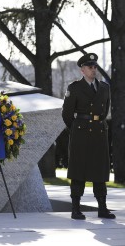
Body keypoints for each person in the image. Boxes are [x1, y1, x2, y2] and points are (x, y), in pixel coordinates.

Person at [62, 53, 115, 220]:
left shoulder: (105, 88)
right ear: (82, 70)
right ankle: (76, 208)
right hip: (81, 134)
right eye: (90, 67)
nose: (94, 69)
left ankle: (102, 208)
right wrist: (78, 129)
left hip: (99, 133)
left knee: (100, 170)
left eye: (95, 67)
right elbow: (67, 114)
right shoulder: (75, 88)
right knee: (79, 170)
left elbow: (104, 110)